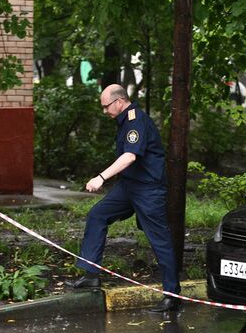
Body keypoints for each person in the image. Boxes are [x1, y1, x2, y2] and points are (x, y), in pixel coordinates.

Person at [66, 84, 181, 312]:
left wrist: (101, 177)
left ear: (119, 102)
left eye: (106, 106)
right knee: (97, 215)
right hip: (128, 186)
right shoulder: (124, 121)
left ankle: (172, 294)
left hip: (148, 189)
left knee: (159, 238)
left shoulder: (136, 121)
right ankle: (91, 274)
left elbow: (129, 156)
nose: (105, 111)